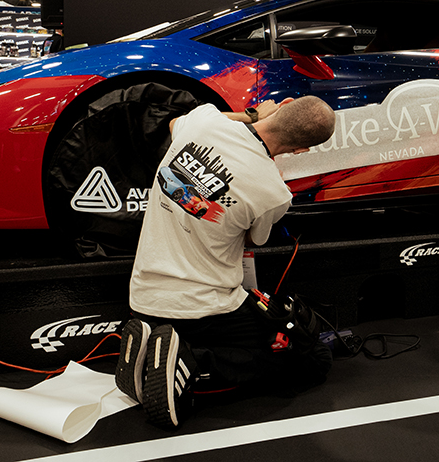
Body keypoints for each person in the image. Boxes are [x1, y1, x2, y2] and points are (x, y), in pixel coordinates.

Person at [115, 95, 337, 428]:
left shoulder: (204, 121)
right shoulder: (274, 193)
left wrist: (250, 116)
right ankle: (190, 361)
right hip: (205, 308)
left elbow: (174, 124)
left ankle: (154, 348)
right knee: (314, 358)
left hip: (143, 298)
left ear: (284, 105)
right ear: (301, 151)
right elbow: (250, 239)